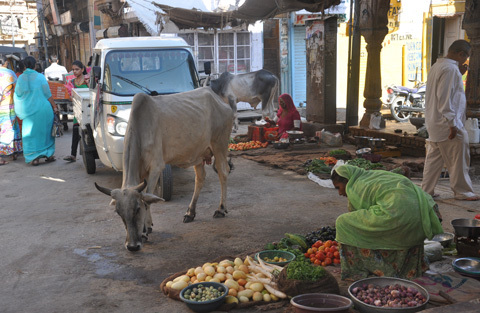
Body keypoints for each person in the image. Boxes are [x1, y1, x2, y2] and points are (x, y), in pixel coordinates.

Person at [331, 165, 443, 280]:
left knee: (343, 223)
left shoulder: (355, 187)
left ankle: (360, 269)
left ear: (347, 180)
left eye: (338, 187)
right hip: (424, 211)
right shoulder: (374, 174)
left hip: (402, 215)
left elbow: (356, 216)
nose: (340, 193)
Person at [421, 40, 480, 201]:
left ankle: (426, 191)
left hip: (435, 123)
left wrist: (458, 75)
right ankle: (462, 191)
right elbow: (444, 99)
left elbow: (445, 92)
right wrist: (453, 124)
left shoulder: (438, 66)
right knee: (459, 157)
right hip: (446, 124)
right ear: (461, 54)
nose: (465, 61)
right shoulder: (449, 69)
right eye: (466, 57)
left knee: (434, 158)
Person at [14, 56, 59, 166]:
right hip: (43, 110)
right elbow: (48, 94)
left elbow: (17, 95)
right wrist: (55, 107)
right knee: (46, 132)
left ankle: (34, 158)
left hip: (28, 112)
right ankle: (49, 155)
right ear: (35, 65)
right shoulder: (40, 77)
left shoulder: (20, 79)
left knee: (30, 134)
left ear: (24, 66)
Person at [63, 60, 88, 163]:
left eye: (77, 69)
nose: (75, 71)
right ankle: (73, 155)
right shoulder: (72, 82)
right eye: (73, 70)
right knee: (75, 131)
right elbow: (70, 97)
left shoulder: (87, 81)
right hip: (77, 110)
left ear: (82, 69)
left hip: (88, 110)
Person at [0, 56, 22, 165]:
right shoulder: (9, 73)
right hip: (8, 107)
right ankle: (13, 153)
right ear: (6, 63)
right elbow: (17, 89)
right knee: (11, 128)